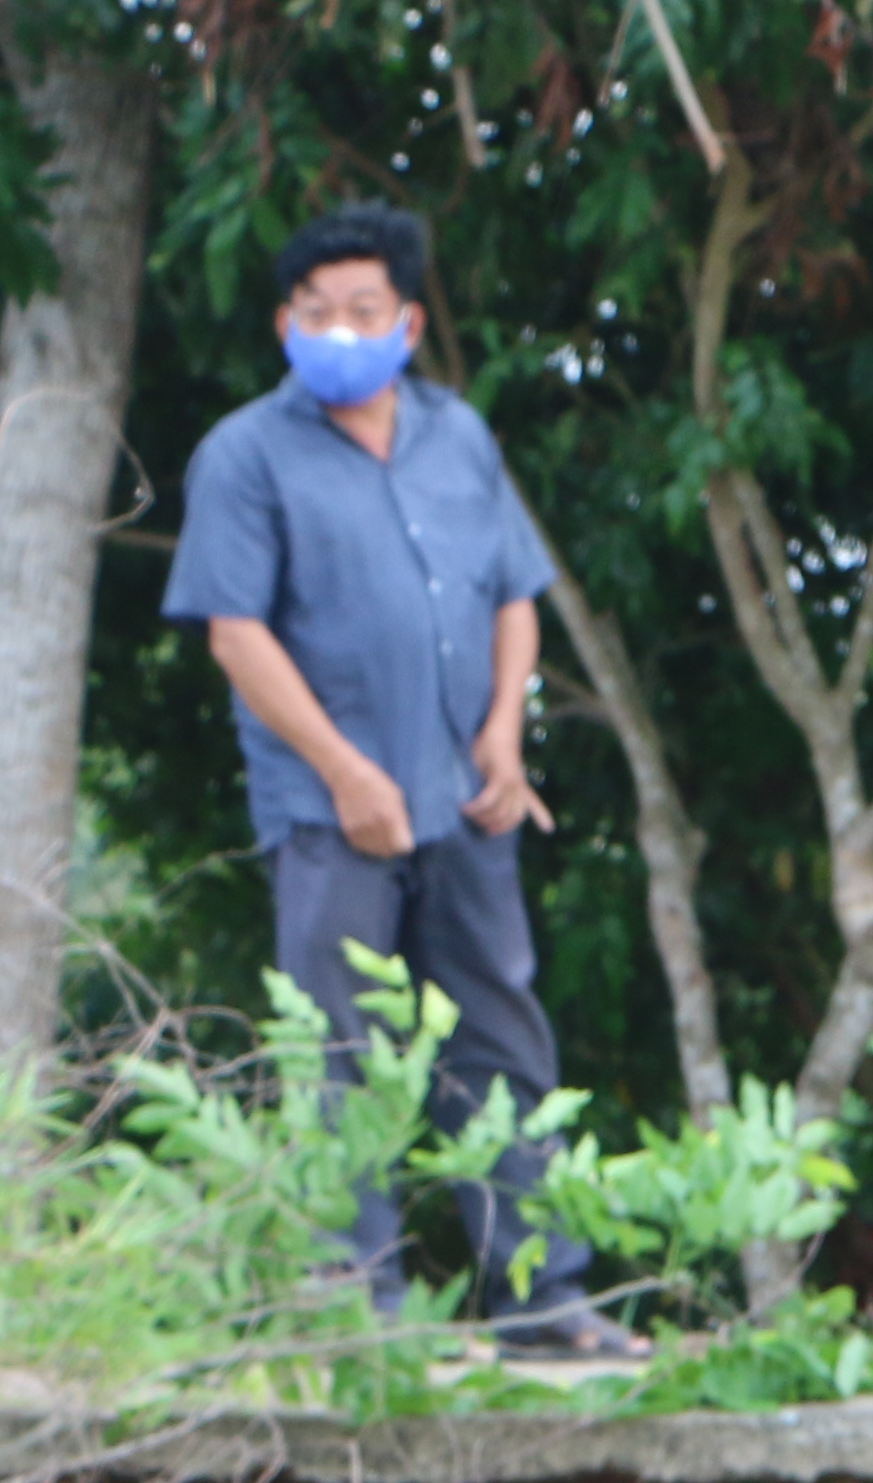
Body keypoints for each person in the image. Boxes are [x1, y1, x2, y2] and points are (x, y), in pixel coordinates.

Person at [159, 201, 648, 1358]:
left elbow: (512, 597)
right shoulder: (244, 454)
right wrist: (344, 771)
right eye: (315, 314)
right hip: (331, 816)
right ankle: (354, 1310)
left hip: (469, 798)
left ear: (408, 322)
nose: (338, 331)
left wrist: (504, 737)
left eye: (362, 312)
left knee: (502, 1038)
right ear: (285, 323)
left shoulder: (457, 436)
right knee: (341, 1051)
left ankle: (541, 1298)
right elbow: (235, 633)